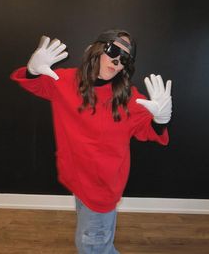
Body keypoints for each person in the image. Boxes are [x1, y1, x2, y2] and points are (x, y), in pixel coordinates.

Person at [10, 29, 172, 254]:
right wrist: (32, 70)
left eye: (124, 58)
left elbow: (149, 130)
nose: (117, 61)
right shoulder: (65, 81)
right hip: (77, 179)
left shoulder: (129, 98)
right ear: (97, 49)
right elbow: (35, 84)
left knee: (92, 247)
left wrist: (160, 120)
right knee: (95, 243)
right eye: (114, 51)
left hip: (101, 188)